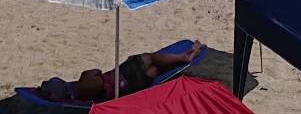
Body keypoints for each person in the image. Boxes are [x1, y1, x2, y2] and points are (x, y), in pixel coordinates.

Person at [34, 41, 204, 103]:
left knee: (154, 70)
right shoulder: (84, 83)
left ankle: (182, 57)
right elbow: (96, 71)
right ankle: (184, 57)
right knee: (147, 57)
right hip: (123, 78)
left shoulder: (79, 95)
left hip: (127, 86)